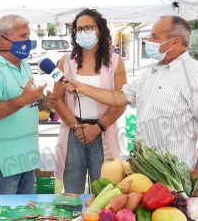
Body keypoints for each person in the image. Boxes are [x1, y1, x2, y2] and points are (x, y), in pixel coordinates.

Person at [63, 15, 198, 191]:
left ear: (175, 41)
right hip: (144, 172)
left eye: (155, 37)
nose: (149, 41)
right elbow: (120, 97)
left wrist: (195, 178)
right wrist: (82, 87)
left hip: (176, 179)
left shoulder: (193, 74)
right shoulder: (152, 72)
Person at [0, 14, 56, 195]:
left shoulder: (24, 64)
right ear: (3, 38)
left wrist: (44, 102)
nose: (28, 41)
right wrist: (23, 100)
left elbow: (27, 103)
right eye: (23, 36)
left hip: (26, 161)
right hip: (2, 167)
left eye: (28, 36)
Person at [53, 8, 127, 193]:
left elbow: (121, 101)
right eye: (79, 29)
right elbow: (56, 99)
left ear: (100, 30)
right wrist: (76, 127)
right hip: (73, 132)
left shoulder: (115, 62)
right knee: (72, 192)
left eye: (88, 27)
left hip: (103, 132)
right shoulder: (65, 61)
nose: (83, 32)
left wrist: (98, 127)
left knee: (103, 192)